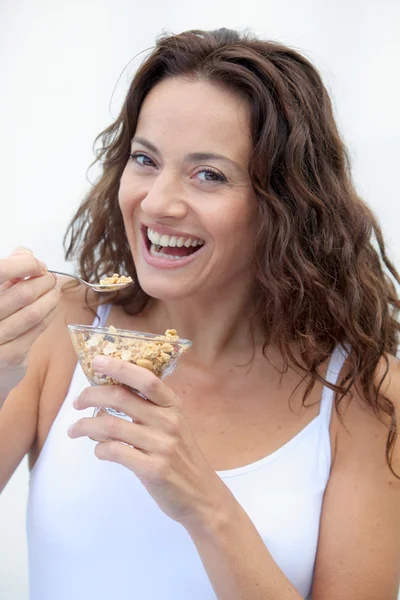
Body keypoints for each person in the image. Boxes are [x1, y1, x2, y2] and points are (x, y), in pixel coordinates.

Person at [0, 27, 399, 600]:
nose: (158, 202)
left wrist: (204, 504)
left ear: (284, 205)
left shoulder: (364, 394)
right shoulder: (58, 331)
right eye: (145, 159)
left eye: (208, 174)